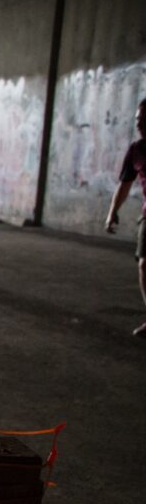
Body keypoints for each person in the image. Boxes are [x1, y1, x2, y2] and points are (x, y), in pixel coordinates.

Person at [104, 97, 146, 338]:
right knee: (144, 264)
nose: (140, 124)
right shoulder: (136, 151)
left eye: (145, 120)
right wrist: (112, 213)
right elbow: (124, 185)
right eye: (138, 120)